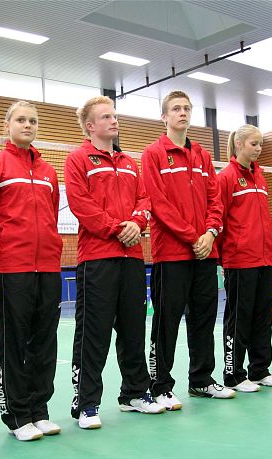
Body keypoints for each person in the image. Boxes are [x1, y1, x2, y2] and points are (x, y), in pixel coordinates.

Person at [64, 96, 164, 429]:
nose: (113, 120)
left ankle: (135, 393)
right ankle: (87, 402)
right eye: (106, 116)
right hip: (97, 260)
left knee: (134, 329)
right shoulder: (77, 160)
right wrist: (118, 228)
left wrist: (137, 223)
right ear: (90, 126)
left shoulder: (128, 162)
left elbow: (144, 199)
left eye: (115, 115)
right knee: (93, 334)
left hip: (133, 259)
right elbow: (82, 205)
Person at [142, 90, 234, 410]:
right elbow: (158, 204)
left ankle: (201, 379)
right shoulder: (153, 154)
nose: (182, 113)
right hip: (172, 253)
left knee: (204, 319)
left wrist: (209, 233)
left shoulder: (203, 156)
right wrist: (192, 236)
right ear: (164, 117)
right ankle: (161, 384)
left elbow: (215, 200)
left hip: (205, 252)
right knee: (166, 321)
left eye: (187, 108)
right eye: (176, 109)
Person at [0, 101, 63, 441]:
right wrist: (1, 265)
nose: (28, 125)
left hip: (48, 268)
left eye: (33, 120)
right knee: (13, 344)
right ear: (7, 125)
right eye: (21, 120)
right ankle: (16, 415)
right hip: (12, 270)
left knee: (44, 342)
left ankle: (39, 410)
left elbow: (52, 216)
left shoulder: (48, 172)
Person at [217, 125, 272, 393]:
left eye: (260, 144)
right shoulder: (227, 177)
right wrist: (224, 257)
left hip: (265, 259)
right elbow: (219, 219)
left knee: (261, 317)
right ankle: (233, 373)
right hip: (239, 259)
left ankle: (260, 369)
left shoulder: (260, 177)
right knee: (239, 319)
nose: (259, 149)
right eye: (254, 144)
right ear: (240, 144)